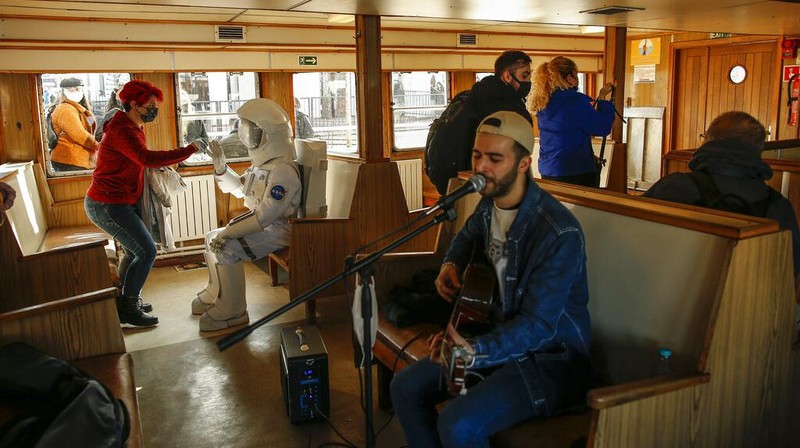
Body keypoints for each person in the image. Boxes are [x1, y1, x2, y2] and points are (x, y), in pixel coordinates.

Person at [390, 111, 594, 447]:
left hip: (550, 361)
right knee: (405, 388)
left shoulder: (559, 232)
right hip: (494, 339)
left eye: (495, 159)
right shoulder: (488, 205)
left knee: (459, 425)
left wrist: (471, 351)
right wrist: (451, 264)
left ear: (524, 163)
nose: (482, 167)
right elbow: (466, 236)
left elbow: (538, 326)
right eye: (477, 156)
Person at [84, 80, 201, 327]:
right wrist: (187, 150)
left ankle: (124, 301)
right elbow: (144, 158)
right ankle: (129, 306)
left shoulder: (132, 125)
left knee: (133, 251)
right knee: (146, 251)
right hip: (107, 204)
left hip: (118, 201)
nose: (153, 110)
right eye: (149, 105)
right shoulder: (122, 130)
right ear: (133, 104)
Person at [644, 111, 800, 280]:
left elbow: (635, 244)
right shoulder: (779, 206)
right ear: (758, 148)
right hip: (753, 303)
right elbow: (790, 270)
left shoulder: (672, 187)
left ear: (709, 140)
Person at [191, 98, 302, 332]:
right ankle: (216, 291)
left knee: (228, 245)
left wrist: (230, 231)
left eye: (252, 131)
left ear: (269, 135)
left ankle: (234, 310)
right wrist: (221, 167)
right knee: (213, 236)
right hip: (270, 226)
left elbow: (265, 217)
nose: (247, 136)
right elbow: (242, 188)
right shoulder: (265, 166)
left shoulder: (283, 171)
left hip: (282, 230)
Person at [529, 56, 616, 187]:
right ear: (570, 78)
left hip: (548, 169)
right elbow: (602, 128)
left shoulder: (543, 102)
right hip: (574, 170)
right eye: (576, 75)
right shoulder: (576, 102)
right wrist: (603, 98)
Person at [50, 77, 100, 171]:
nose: (75, 92)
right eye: (70, 90)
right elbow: (80, 135)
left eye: (77, 89)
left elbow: (91, 128)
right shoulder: (66, 110)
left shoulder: (79, 109)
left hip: (77, 157)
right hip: (70, 158)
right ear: (64, 92)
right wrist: (101, 145)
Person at [470, 50, 533, 124]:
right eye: (524, 76)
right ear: (507, 76)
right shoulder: (511, 109)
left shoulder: (479, 96)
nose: (528, 81)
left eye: (529, 77)